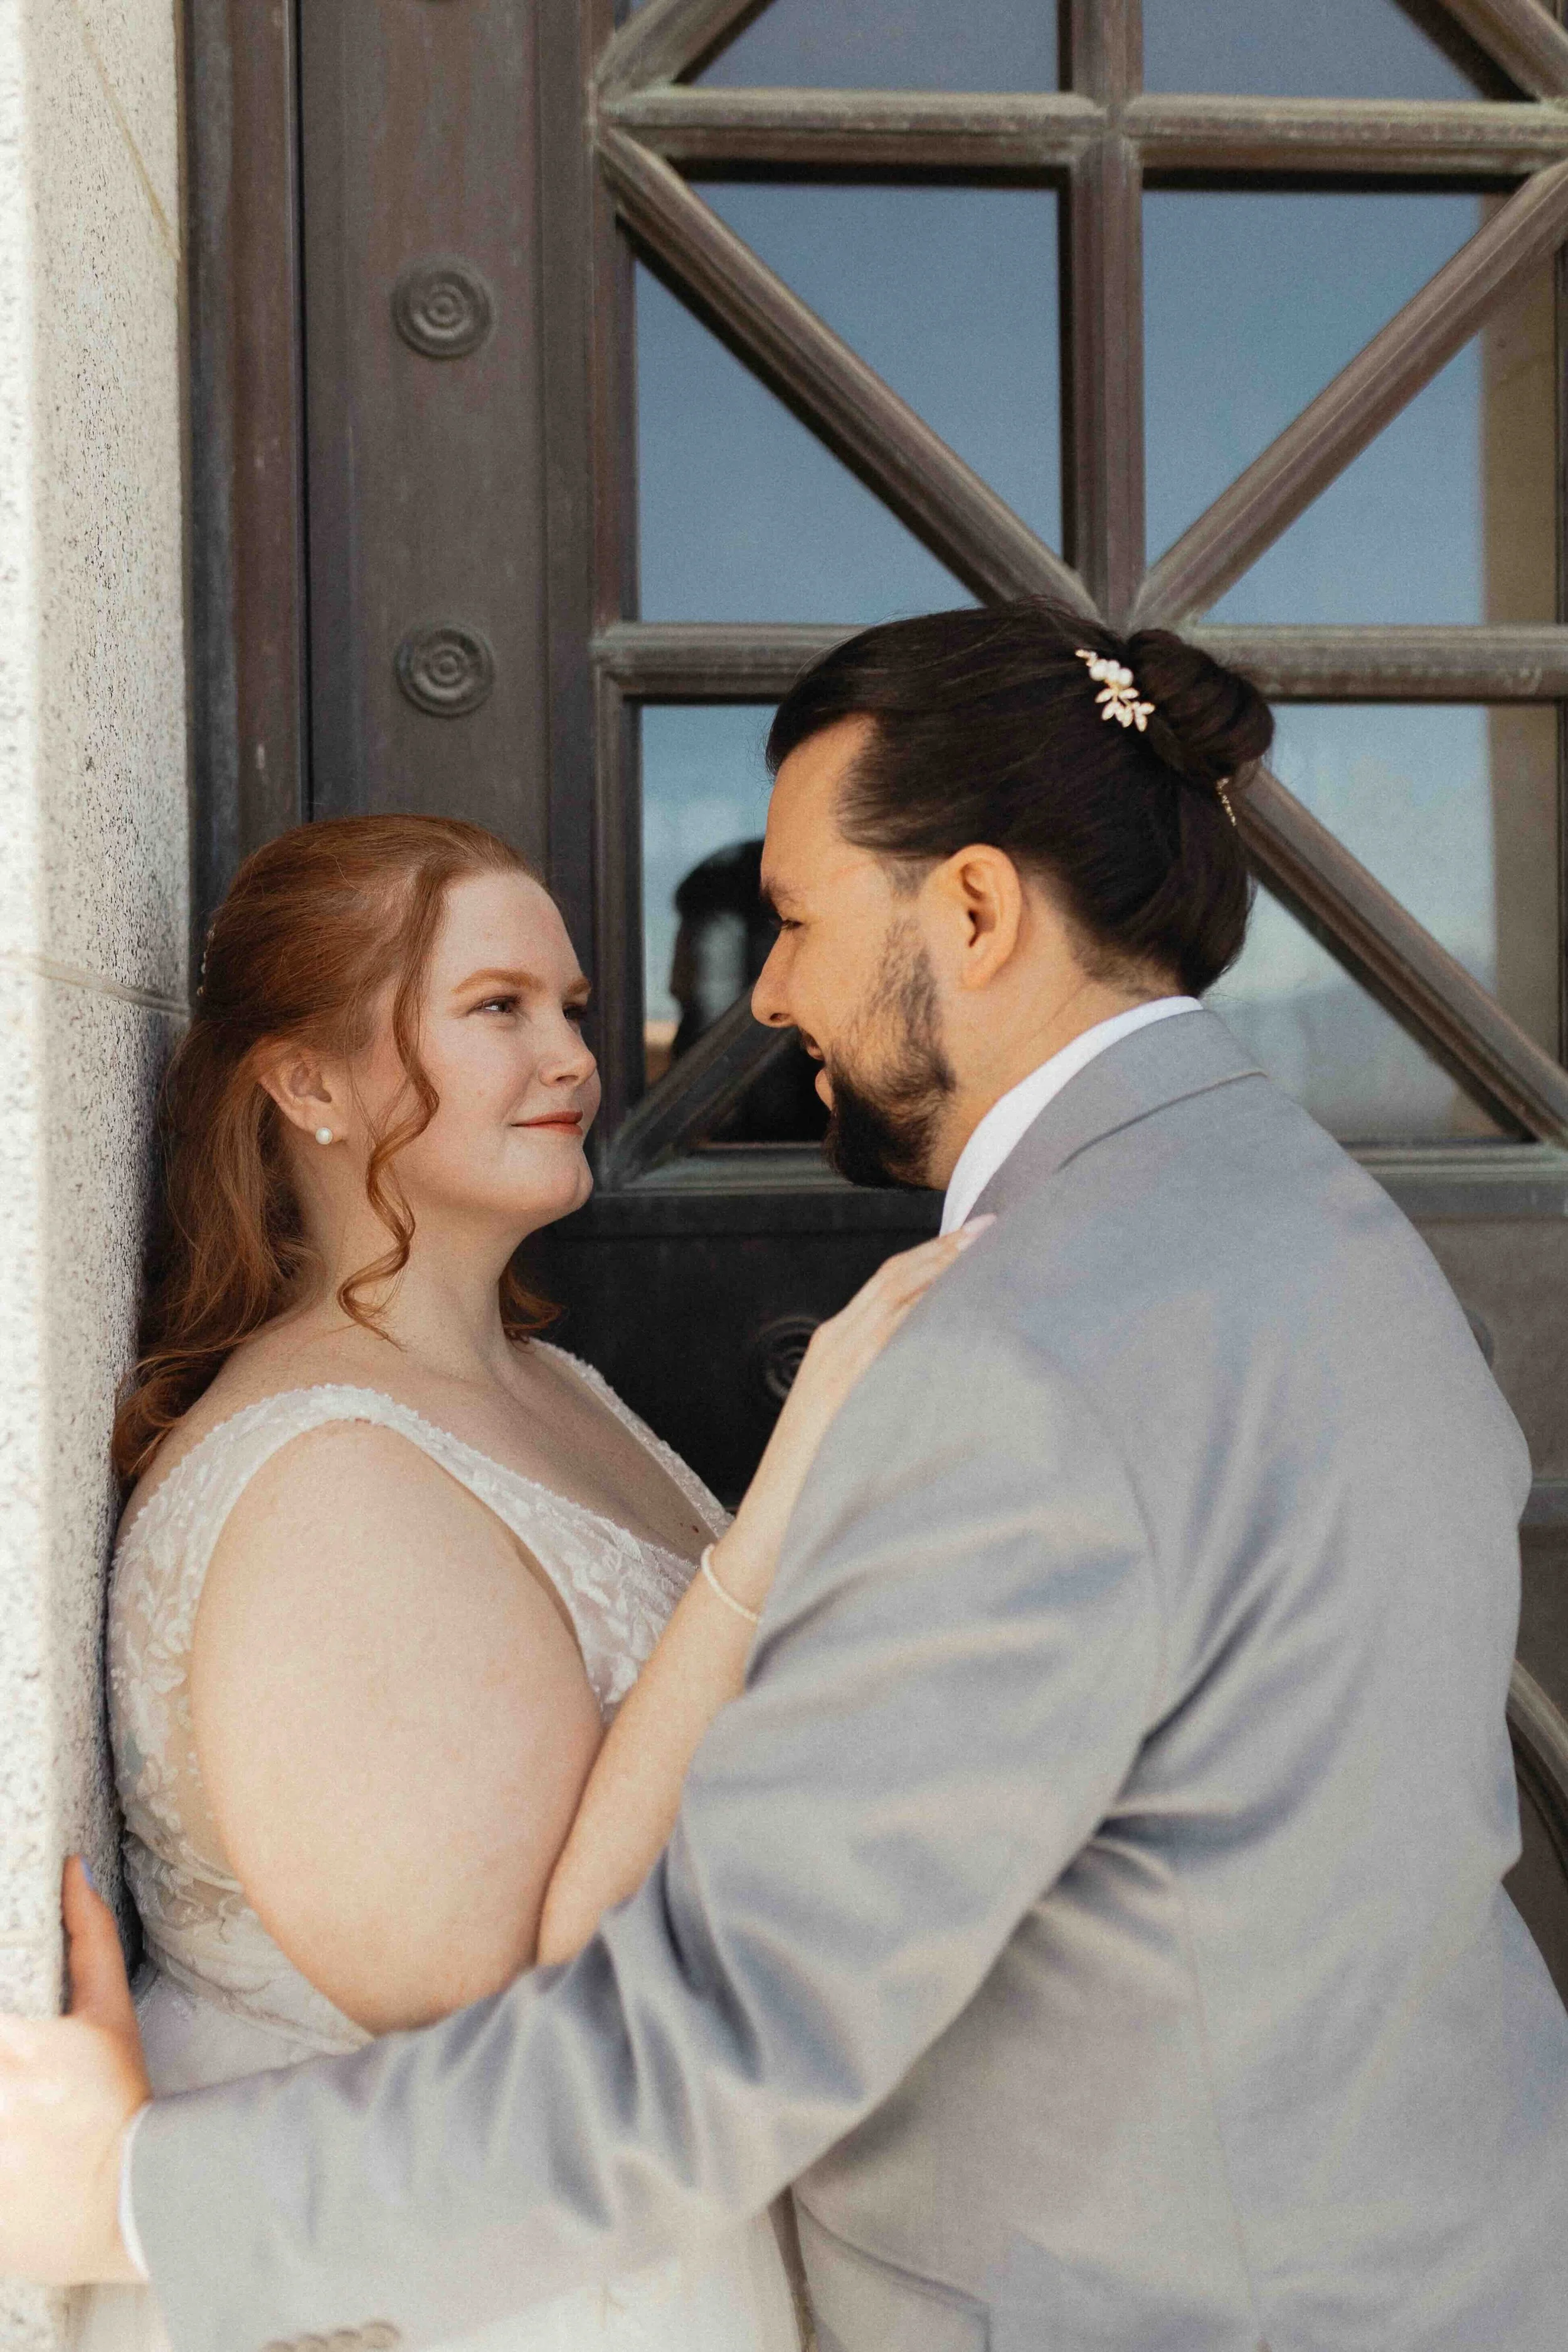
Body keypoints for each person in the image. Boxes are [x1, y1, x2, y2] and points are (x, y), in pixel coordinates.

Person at [4, 596, 1567, 2349]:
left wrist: (136, 2192)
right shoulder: (1321, 1222)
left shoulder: (1021, 1354)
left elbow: (715, 2043)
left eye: (802, 917)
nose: (760, 990)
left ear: (972, 909)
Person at [16, 810, 975, 2352]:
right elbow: (510, 2012)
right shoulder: (316, 1470)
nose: (576, 1060)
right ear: (307, 1083)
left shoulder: (563, 1388)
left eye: (573, 1010)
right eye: (496, 1009)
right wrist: (802, 1484)